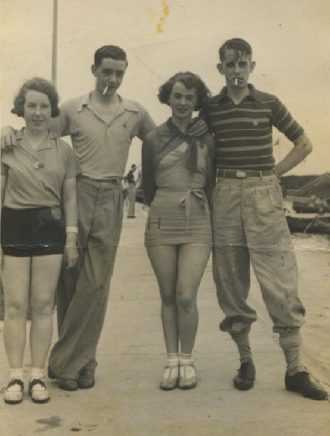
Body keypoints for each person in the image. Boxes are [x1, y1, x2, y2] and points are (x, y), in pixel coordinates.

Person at [1, 45, 156, 391]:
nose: (112, 79)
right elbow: (36, 129)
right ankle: (82, 363)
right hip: (75, 193)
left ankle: (67, 361)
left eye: (119, 73)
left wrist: (154, 185)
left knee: (96, 283)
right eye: (106, 72)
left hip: (111, 197)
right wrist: (9, 130)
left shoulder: (135, 112)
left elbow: (159, 142)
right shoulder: (72, 109)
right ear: (94, 70)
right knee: (68, 279)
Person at [204, 38, 328, 400]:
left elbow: (304, 143)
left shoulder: (270, 103)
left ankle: (295, 369)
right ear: (221, 69)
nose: (237, 72)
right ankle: (245, 361)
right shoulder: (211, 109)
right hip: (225, 196)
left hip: (264, 196)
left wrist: (275, 174)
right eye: (230, 65)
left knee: (281, 281)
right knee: (230, 280)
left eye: (243, 65)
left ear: (252, 67)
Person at [0, 78, 78, 404]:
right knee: (16, 305)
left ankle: (37, 375)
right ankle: (15, 376)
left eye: (44, 106)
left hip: (50, 227)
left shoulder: (64, 150)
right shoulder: (7, 143)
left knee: (44, 305)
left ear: (52, 110)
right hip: (14, 225)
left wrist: (71, 237)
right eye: (31, 105)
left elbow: (70, 198)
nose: (37, 112)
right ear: (22, 107)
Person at [142, 72, 215, 390]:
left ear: (197, 100)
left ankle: (187, 360)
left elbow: (210, 184)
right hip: (161, 220)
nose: (183, 102)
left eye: (190, 97)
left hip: (198, 220)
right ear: (168, 98)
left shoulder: (208, 137)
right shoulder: (153, 138)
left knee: (187, 294)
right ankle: (171, 360)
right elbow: (147, 185)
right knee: (168, 295)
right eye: (178, 96)